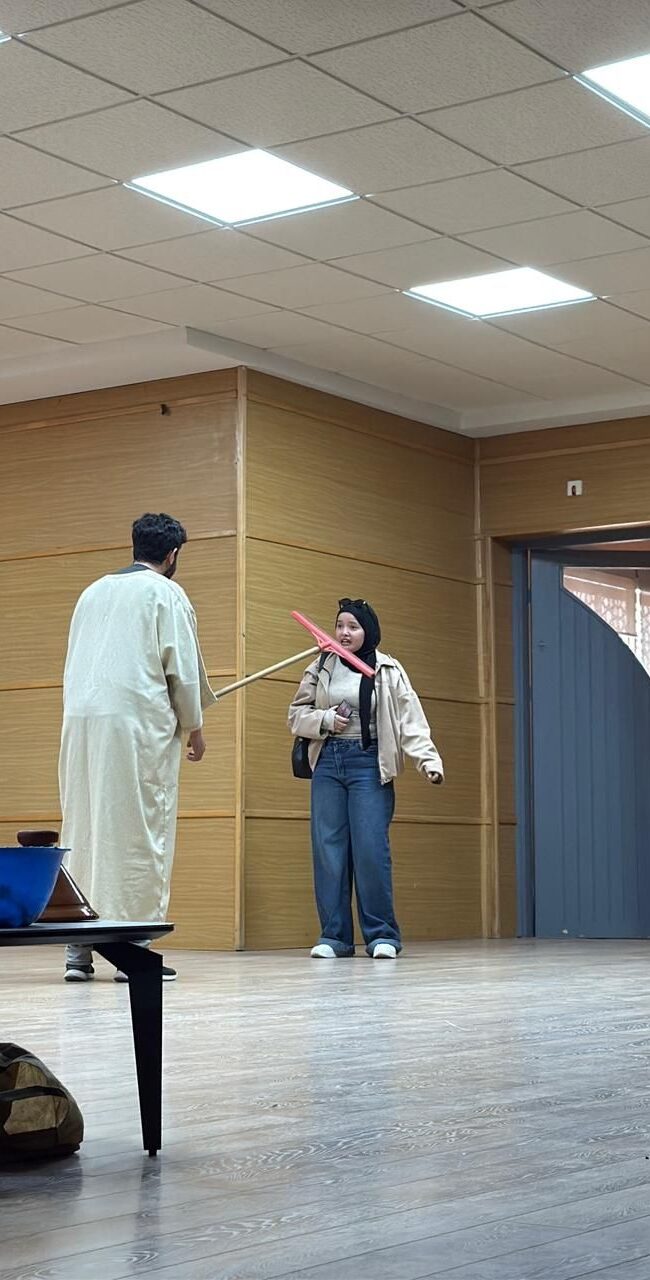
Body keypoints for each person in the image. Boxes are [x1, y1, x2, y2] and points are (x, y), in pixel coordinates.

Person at [59, 513, 216, 983]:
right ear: (172, 554)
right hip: (135, 726)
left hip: (81, 725)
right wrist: (195, 727)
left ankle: (77, 950)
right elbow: (181, 669)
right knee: (136, 831)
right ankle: (133, 951)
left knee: (85, 829)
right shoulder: (165, 593)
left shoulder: (92, 591)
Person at [288, 599, 443, 960]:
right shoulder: (320, 665)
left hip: (369, 764)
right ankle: (334, 937)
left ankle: (382, 935)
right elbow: (296, 716)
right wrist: (325, 720)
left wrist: (428, 760)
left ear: (368, 631)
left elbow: (410, 720)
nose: (344, 633)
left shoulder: (388, 669)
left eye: (353, 627)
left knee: (371, 849)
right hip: (328, 763)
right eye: (340, 626)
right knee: (329, 851)